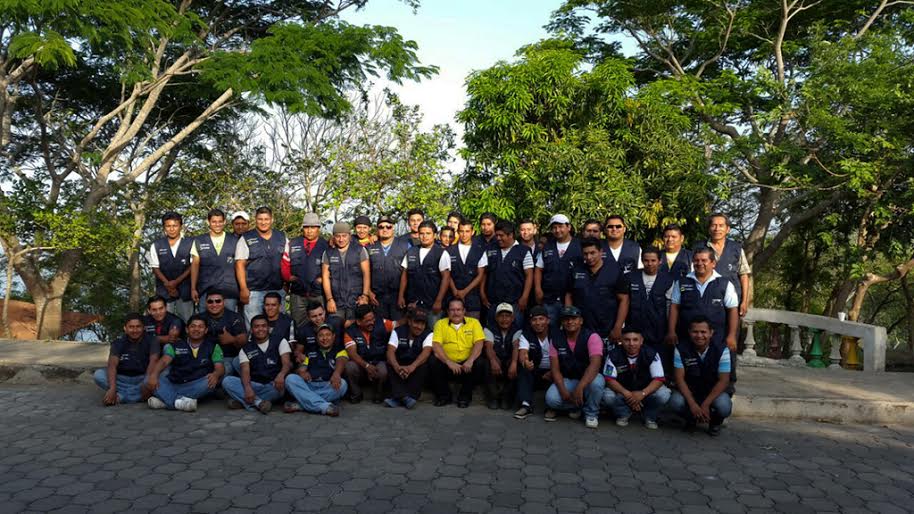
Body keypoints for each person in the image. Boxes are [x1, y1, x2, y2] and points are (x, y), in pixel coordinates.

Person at [668, 316, 735, 436]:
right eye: (695, 332)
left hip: (712, 392)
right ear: (689, 332)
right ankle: (691, 419)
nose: (699, 336)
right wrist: (693, 405)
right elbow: (679, 379)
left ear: (711, 333)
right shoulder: (680, 349)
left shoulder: (722, 350)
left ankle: (715, 422)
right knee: (675, 402)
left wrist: (705, 405)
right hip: (690, 391)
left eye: (703, 332)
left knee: (724, 406)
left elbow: (724, 381)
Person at [146, 314, 224, 412]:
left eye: (200, 327)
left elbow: (220, 367)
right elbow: (164, 361)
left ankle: (166, 401)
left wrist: (216, 374)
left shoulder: (213, 347)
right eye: (193, 326)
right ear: (187, 329)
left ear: (206, 330)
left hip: (197, 384)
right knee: (148, 380)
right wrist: (154, 375)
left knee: (210, 382)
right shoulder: (175, 345)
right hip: (174, 383)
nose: (196, 329)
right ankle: (179, 403)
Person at [544, 306, 605, 428]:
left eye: (574, 318)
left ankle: (591, 414)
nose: (570, 322)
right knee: (551, 399)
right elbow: (555, 369)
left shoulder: (592, 337)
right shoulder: (556, 339)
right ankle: (578, 406)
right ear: (562, 322)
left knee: (597, 383)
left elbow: (595, 365)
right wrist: (563, 390)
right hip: (569, 378)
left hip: (589, 378)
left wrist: (580, 387)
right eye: (566, 319)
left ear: (581, 321)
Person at [667, 248, 739, 350]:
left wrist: (731, 335)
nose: (700, 263)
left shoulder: (725, 284)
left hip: (717, 340)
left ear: (713, 263)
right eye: (696, 260)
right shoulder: (681, 282)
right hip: (686, 339)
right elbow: (674, 307)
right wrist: (671, 331)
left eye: (704, 260)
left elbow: (732, 310)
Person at [601, 328, 671, 429]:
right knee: (607, 396)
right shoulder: (613, 354)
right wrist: (628, 394)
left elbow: (659, 379)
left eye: (635, 340)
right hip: (623, 390)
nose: (631, 343)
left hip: (645, 390)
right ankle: (623, 413)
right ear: (621, 340)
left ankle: (649, 416)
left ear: (641, 341)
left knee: (664, 394)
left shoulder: (651, 354)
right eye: (627, 340)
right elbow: (609, 379)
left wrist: (642, 393)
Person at [567, 237, 629, 349]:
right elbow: (569, 295)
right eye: (585, 254)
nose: (589, 257)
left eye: (592, 253)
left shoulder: (614, 271)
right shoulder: (576, 271)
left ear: (601, 252)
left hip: (607, 330)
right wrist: (570, 319)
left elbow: (624, 299)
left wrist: (618, 327)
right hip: (582, 330)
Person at [222, 315, 291, 414]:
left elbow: (287, 363)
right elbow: (245, 371)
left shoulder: (280, 341)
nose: (260, 329)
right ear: (252, 329)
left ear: (268, 328)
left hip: (274, 385)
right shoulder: (246, 349)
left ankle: (243, 401)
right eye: (256, 326)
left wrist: (281, 374)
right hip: (255, 384)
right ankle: (258, 402)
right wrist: (248, 388)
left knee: (279, 389)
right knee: (227, 381)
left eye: (263, 326)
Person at [429, 298, 490, 408]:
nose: (455, 313)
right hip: (448, 366)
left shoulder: (474, 323)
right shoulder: (440, 324)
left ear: (464, 311)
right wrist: (448, 362)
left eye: (458, 309)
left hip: (467, 366)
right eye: (452, 310)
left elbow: (479, 343)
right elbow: (436, 345)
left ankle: (464, 397)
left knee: (480, 362)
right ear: (448, 311)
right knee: (433, 361)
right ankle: (444, 396)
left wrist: (470, 360)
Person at [235, 206, 287, 326]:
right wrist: (243, 289)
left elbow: (287, 261)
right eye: (260, 219)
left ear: (272, 220)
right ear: (255, 220)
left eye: (266, 219)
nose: (263, 222)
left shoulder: (282, 237)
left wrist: (286, 285)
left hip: (277, 290)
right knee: (254, 326)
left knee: (278, 326)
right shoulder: (246, 238)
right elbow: (239, 264)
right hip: (254, 291)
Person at [93, 313, 159, 406]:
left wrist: (146, 382)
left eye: (138, 327)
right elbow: (112, 365)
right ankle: (137, 395)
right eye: (131, 327)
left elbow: (154, 361)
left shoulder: (152, 340)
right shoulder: (118, 342)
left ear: (143, 327)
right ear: (125, 328)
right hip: (122, 379)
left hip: (142, 378)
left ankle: (121, 397)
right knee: (98, 375)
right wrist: (112, 388)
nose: (135, 330)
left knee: (159, 377)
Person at [284, 322, 349, 416]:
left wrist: (337, 373)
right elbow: (302, 368)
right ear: (316, 338)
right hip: (310, 385)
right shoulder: (310, 351)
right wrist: (302, 372)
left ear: (333, 336)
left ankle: (302, 405)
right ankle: (324, 406)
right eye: (321, 335)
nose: (325, 338)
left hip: (328, 386)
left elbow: (341, 360)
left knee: (343, 384)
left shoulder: (339, 350)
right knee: (290, 379)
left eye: (328, 335)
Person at [620, 248, 674, 353]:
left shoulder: (668, 280)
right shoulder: (630, 277)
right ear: (642, 261)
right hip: (634, 333)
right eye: (646, 260)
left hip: (658, 333)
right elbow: (623, 303)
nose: (649, 264)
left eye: (653, 260)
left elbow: (670, 307)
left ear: (660, 261)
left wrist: (670, 330)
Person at [696, 213, 751, 316]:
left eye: (721, 225)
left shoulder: (736, 248)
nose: (717, 229)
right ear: (709, 229)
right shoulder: (699, 248)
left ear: (728, 229)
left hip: (732, 302)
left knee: (732, 326)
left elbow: (744, 275)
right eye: (714, 225)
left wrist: (744, 301)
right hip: (705, 301)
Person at [481, 220, 533, 328]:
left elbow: (529, 275)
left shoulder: (523, 251)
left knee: (516, 332)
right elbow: (484, 273)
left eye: (501, 235)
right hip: (493, 302)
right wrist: (482, 294)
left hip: (515, 303)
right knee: (492, 332)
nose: (498, 238)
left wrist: (525, 297)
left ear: (511, 235)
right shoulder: (490, 250)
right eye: (497, 235)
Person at [399, 221, 451, 326]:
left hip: (432, 304)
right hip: (413, 303)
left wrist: (439, 301)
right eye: (422, 233)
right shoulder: (411, 251)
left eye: (428, 233)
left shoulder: (441, 253)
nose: (424, 236)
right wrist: (401, 296)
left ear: (434, 235)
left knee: (433, 332)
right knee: (414, 331)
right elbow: (404, 275)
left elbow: (446, 278)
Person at [282, 212, 329, 327]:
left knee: (320, 325)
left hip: (318, 294)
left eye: (313, 227)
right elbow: (285, 262)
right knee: (299, 325)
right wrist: (288, 277)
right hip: (298, 293)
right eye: (306, 227)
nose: (309, 231)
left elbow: (333, 267)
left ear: (318, 228)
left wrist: (323, 279)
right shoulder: (293, 243)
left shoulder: (326, 245)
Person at [535, 214, 582, 326]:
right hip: (550, 299)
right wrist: (538, 289)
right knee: (550, 328)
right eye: (554, 227)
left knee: (571, 329)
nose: (557, 230)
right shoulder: (547, 246)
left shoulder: (579, 245)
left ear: (568, 227)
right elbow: (538, 269)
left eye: (561, 226)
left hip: (574, 298)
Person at [191, 208, 240, 313]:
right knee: (204, 321)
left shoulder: (235, 240)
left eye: (220, 221)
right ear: (208, 222)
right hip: (205, 290)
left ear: (224, 222)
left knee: (229, 320)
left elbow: (240, 266)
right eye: (214, 222)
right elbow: (195, 265)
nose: (217, 224)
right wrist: (193, 288)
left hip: (229, 290)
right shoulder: (199, 240)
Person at [343, 304, 394, 403]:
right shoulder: (350, 331)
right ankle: (356, 394)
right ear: (358, 322)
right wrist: (366, 366)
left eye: (373, 319)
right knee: (349, 366)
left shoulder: (381, 323)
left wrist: (408, 315)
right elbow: (352, 354)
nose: (372, 322)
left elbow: (398, 324)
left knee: (383, 370)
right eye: (368, 321)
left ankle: (378, 394)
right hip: (361, 367)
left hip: (378, 362)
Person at [148, 211, 194, 322]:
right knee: (164, 322)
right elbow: (155, 267)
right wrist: (168, 285)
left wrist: (176, 282)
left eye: (175, 225)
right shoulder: (156, 245)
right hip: (164, 291)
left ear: (180, 226)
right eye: (168, 226)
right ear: (164, 227)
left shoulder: (191, 243)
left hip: (185, 290)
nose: (172, 229)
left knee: (188, 321)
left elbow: (193, 266)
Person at [321, 222, 371, 322]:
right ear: (333, 237)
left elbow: (366, 274)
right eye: (337, 236)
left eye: (344, 236)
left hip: (357, 300)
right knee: (335, 327)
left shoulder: (360, 250)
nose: (341, 239)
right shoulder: (328, 253)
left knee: (355, 329)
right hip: (336, 302)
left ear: (350, 236)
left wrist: (365, 295)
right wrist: (329, 299)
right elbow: (325, 277)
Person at [385, 307, 433, 409]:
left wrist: (412, 367)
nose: (419, 327)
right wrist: (397, 367)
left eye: (422, 324)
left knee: (424, 364)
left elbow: (426, 353)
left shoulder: (429, 333)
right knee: (390, 362)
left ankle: (401, 397)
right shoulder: (398, 331)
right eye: (416, 322)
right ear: (409, 321)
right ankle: (405, 398)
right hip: (400, 365)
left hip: (416, 365)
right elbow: (390, 351)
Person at [514, 305, 556, 420]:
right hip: (535, 370)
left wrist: (553, 371)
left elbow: (562, 357)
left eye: (541, 319)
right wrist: (525, 362)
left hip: (553, 370)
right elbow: (523, 352)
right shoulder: (526, 334)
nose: (538, 323)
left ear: (548, 320)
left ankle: (552, 407)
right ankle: (526, 405)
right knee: (524, 369)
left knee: (558, 374)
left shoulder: (556, 333)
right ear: (530, 322)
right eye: (534, 320)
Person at [446, 219, 487, 320]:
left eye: (467, 231)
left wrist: (464, 291)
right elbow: (447, 273)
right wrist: (455, 291)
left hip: (473, 298)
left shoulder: (480, 251)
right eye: (461, 231)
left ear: (472, 232)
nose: (464, 234)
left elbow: (480, 275)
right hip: (453, 297)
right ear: (458, 232)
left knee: (472, 327)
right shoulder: (449, 251)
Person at [484, 303, 522, 410]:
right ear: (496, 318)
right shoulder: (489, 328)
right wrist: (493, 360)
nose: (504, 319)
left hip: (508, 360)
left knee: (518, 363)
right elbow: (488, 346)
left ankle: (507, 397)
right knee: (486, 362)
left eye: (507, 316)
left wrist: (514, 363)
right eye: (501, 316)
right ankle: (493, 397)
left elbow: (516, 346)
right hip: (496, 359)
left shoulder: (517, 329)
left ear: (512, 318)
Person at [199, 292, 247, 376]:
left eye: (218, 301)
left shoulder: (234, 317)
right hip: (205, 357)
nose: (214, 304)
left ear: (224, 302)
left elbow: (244, 341)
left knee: (223, 372)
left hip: (227, 357)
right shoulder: (199, 318)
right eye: (210, 301)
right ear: (206, 303)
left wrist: (232, 339)